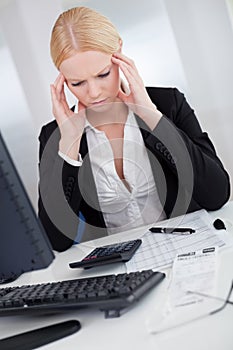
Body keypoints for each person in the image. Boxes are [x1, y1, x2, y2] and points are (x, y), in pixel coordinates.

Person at [38, 6, 230, 252]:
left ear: (118, 50)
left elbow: (217, 194)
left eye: (103, 74)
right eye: (77, 83)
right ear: (62, 77)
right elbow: (56, 242)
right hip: (118, 274)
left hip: (190, 253)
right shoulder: (55, 135)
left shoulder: (168, 104)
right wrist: (70, 143)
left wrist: (151, 117)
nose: (94, 93)